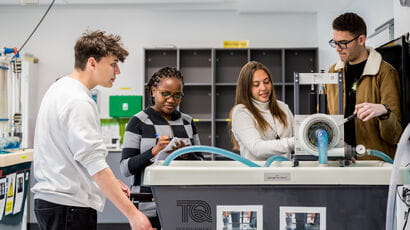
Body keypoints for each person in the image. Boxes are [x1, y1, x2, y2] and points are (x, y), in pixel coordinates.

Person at [31, 30, 154, 230]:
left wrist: (113, 182)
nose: (117, 71)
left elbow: (75, 154)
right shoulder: (78, 101)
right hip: (69, 208)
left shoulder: (60, 88)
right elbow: (94, 163)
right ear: (92, 63)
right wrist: (133, 215)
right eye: (113, 64)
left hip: (55, 203)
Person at [120, 66, 204, 228]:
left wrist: (186, 154)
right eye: (165, 93)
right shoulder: (139, 122)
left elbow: (200, 162)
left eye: (177, 95)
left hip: (182, 201)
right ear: (153, 91)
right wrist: (154, 151)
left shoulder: (187, 121)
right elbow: (125, 168)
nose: (171, 100)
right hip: (147, 203)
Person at [326, 12, 402, 159]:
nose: (337, 48)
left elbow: (396, 136)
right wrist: (336, 143)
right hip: (340, 162)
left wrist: (384, 112)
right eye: (335, 42)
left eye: (343, 43)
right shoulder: (332, 72)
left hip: (374, 164)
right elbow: (324, 119)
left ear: (361, 39)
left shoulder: (385, 72)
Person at [230, 61, 294, 161]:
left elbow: (300, 140)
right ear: (246, 88)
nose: (263, 88)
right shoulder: (241, 113)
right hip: (256, 174)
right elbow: (257, 149)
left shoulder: (283, 108)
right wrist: (293, 143)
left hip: (285, 173)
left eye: (266, 82)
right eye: (256, 85)